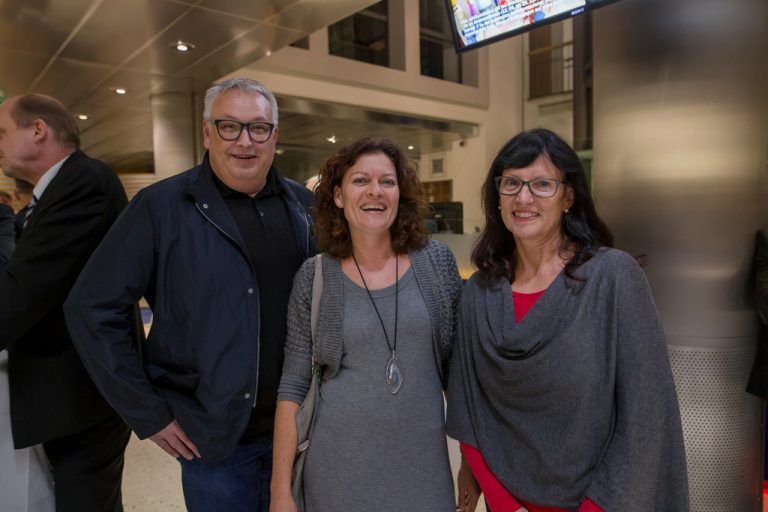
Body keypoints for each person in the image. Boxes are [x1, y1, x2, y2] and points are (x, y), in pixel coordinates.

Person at [64, 78, 316, 512]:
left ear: (275, 135)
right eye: (229, 126)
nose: (245, 142)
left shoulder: (304, 207)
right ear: (206, 133)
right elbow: (92, 306)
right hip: (216, 442)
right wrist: (147, 412)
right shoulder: (160, 207)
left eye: (258, 128)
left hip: (302, 431)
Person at [446, 128, 689, 512]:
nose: (523, 198)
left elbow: (645, 418)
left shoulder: (613, 277)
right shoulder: (480, 292)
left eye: (542, 184)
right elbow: (469, 408)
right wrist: (506, 505)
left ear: (568, 197)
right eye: (511, 183)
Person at [270, 138, 463, 512]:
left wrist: (471, 464)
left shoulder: (436, 265)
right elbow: (293, 387)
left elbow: (459, 376)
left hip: (423, 476)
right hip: (335, 478)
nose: (375, 191)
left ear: (399, 193)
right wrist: (281, 489)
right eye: (360, 180)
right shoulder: (315, 277)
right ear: (339, 196)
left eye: (387, 182)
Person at [0, 94, 132, 511]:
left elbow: (27, 286)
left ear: (37, 130)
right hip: (65, 395)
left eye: (2, 132)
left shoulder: (84, 181)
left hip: (83, 398)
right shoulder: (54, 192)